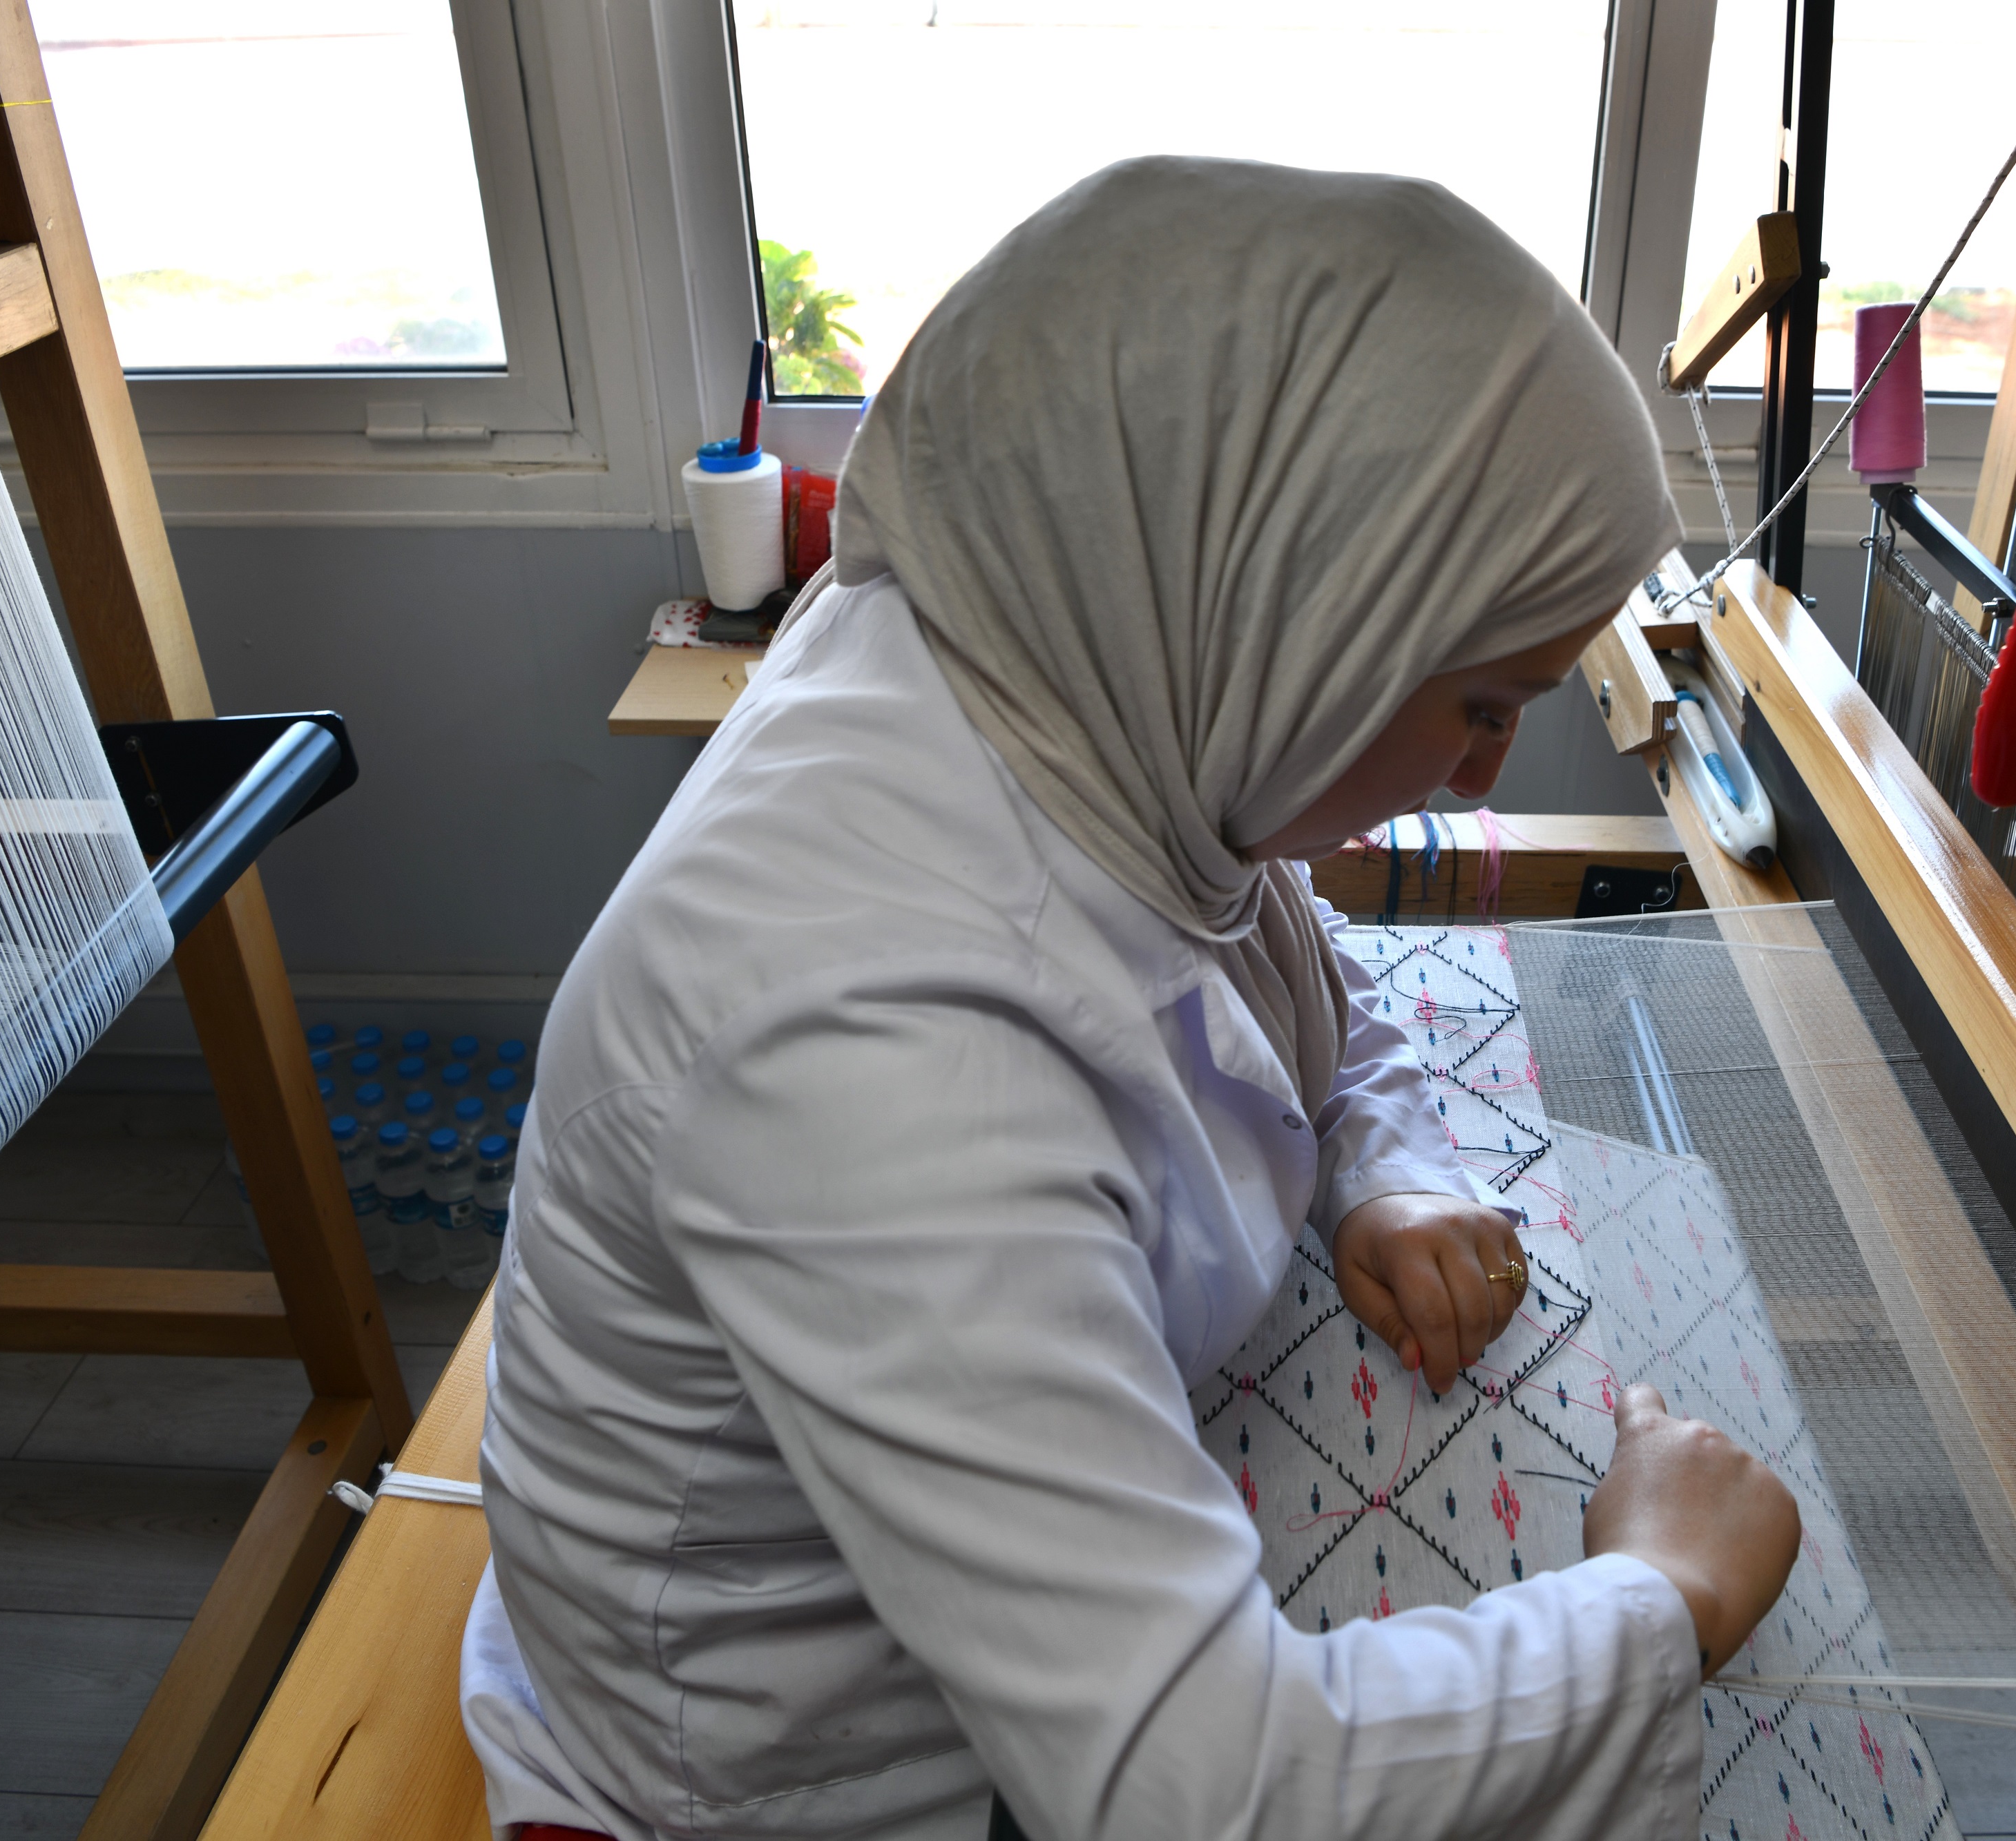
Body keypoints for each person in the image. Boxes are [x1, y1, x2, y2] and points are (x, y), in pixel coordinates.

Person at [461, 156, 1800, 1841]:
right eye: (1481, 701)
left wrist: (1385, 1160)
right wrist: (1663, 1596)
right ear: (1299, 617)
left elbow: (1268, 946)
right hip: (787, 1779)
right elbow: (1200, 1788)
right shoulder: (865, 1052)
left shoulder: (1071, 679)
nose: (1487, 768)